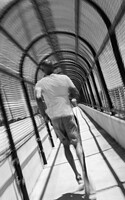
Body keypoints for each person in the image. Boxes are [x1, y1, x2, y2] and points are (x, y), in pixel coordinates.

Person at [35, 60, 96, 198]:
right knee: (77, 144)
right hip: (67, 114)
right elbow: (75, 94)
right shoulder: (64, 78)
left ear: (43, 70)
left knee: (66, 146)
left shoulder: (39, 84)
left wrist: (44, 113)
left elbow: (38, 97)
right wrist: (68, 98)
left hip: (54, 118)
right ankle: (85, 176)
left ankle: (77, 175)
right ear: (54, 67)